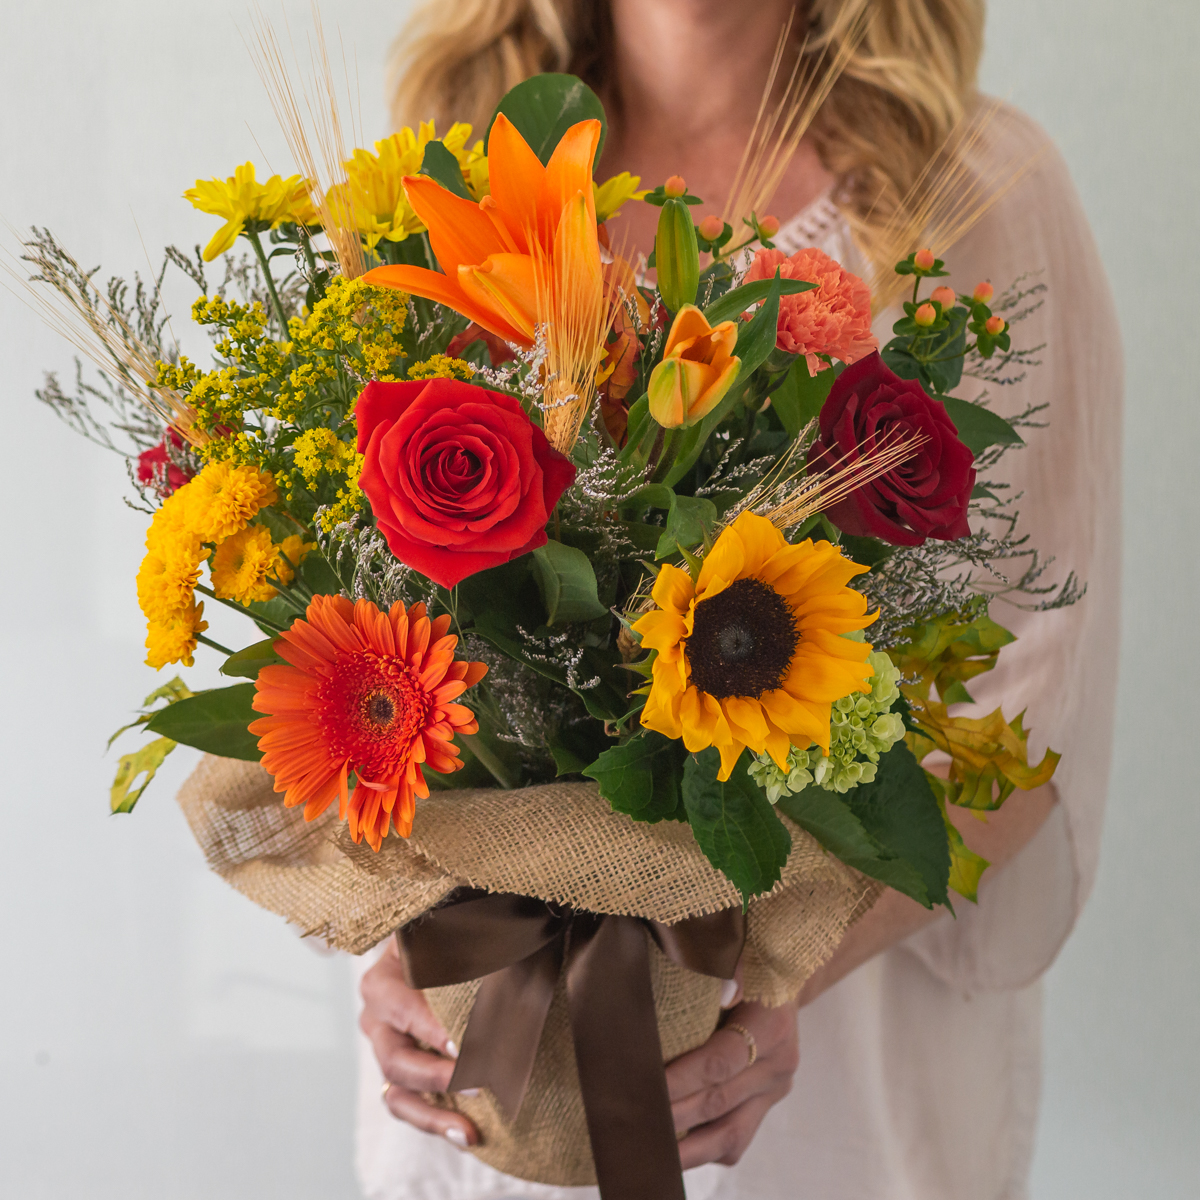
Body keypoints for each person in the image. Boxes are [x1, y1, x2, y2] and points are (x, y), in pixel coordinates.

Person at [356, 1, 1123, 1196]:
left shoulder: (979, 189)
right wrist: (402, 939)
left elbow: (1035, 688)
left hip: (839, 1083)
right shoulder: (444, 169)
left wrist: (755, 982)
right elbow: (351, 639)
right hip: (486, 1073)